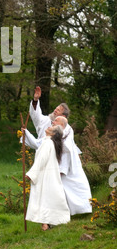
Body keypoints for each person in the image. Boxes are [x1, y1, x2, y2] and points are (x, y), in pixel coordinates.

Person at [22, 86, 92, 215]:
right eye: (56, 108)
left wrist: (61, 168)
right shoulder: (45, 121)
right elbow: (35, 115)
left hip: (63, 160)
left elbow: (66, 147)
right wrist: (36, 100)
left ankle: (77, 209)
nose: (55, 111)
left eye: (58, 111)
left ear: (64, 117)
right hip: (45, 156)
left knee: (67, 185)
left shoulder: (67, 129)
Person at [25, 125, 70, 231]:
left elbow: (41, 159)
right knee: (47, 198)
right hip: (48, 174)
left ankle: (46, 224)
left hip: (45, 175)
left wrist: (32, 173)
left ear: (53, 133)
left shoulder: (47, 143)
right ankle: (47, 223)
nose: (49, 126)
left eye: (52, 127)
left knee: (44, 198)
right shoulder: (49, 142)